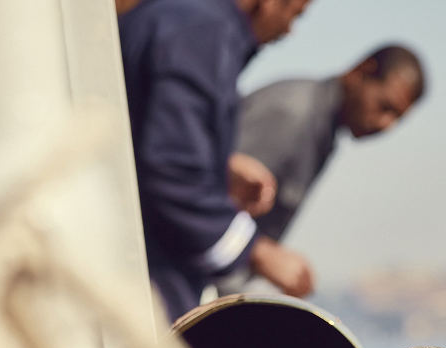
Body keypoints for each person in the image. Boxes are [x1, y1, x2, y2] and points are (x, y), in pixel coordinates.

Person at [119, 0, 312, 321]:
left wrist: (222, 165)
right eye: (294, 13)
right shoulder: (203, 31)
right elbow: (172, 171)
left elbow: (143, 136)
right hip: (142, 289)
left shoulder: (181, 18)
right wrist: (257, 252)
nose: (289, 30)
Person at [226, 45, 425, 290]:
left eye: (397, 119)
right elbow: (198, 189)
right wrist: (257, 251)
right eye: (385, 107)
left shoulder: (320, 128)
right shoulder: (292, 112)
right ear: (362, 71)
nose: (386, 125)